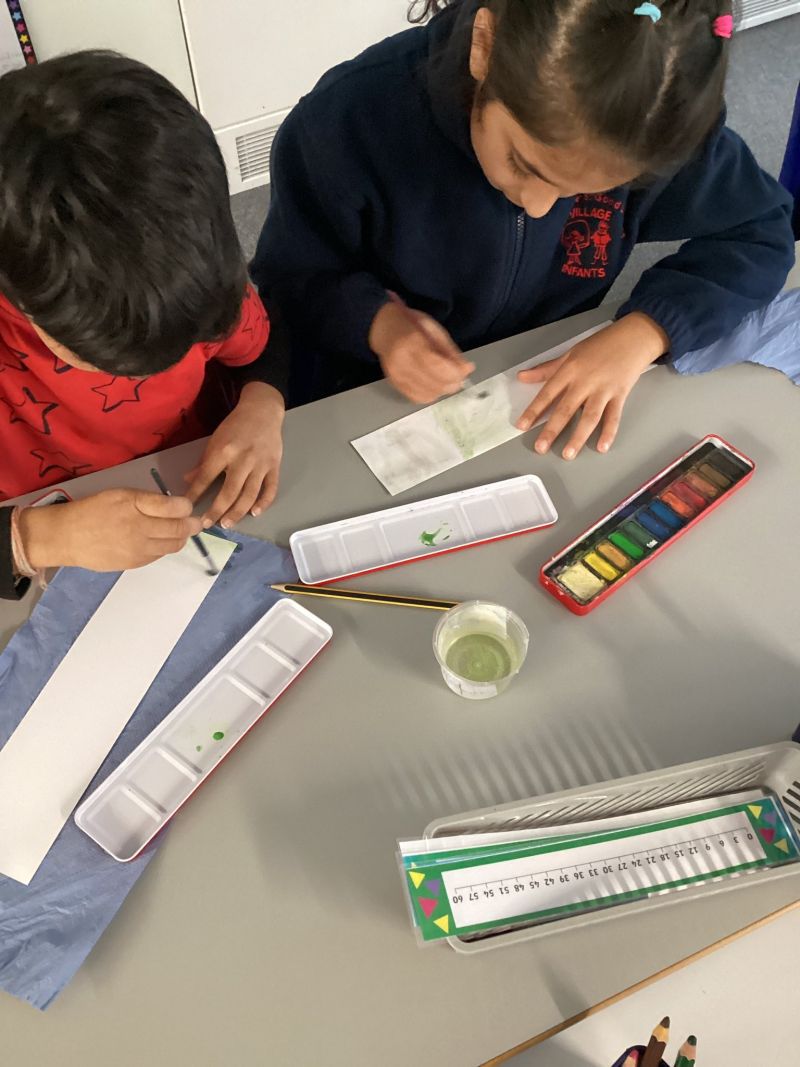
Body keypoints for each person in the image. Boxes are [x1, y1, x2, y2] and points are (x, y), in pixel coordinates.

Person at [253, 0, 794, 462]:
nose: (538, 208)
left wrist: (647, 331)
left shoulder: (653, 124)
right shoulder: (347, 121)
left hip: (533, 385)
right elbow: (290, 278)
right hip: (365, 397)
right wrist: (378, 323)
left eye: (588, 192)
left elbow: (761, 229)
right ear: (483, 46)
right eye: (523, 164)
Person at [0, 51, 286, 600]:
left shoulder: (181, 268)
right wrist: (39, 537)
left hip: (193, 491)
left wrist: (262, 404)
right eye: (105, 360)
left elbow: (261, 344)